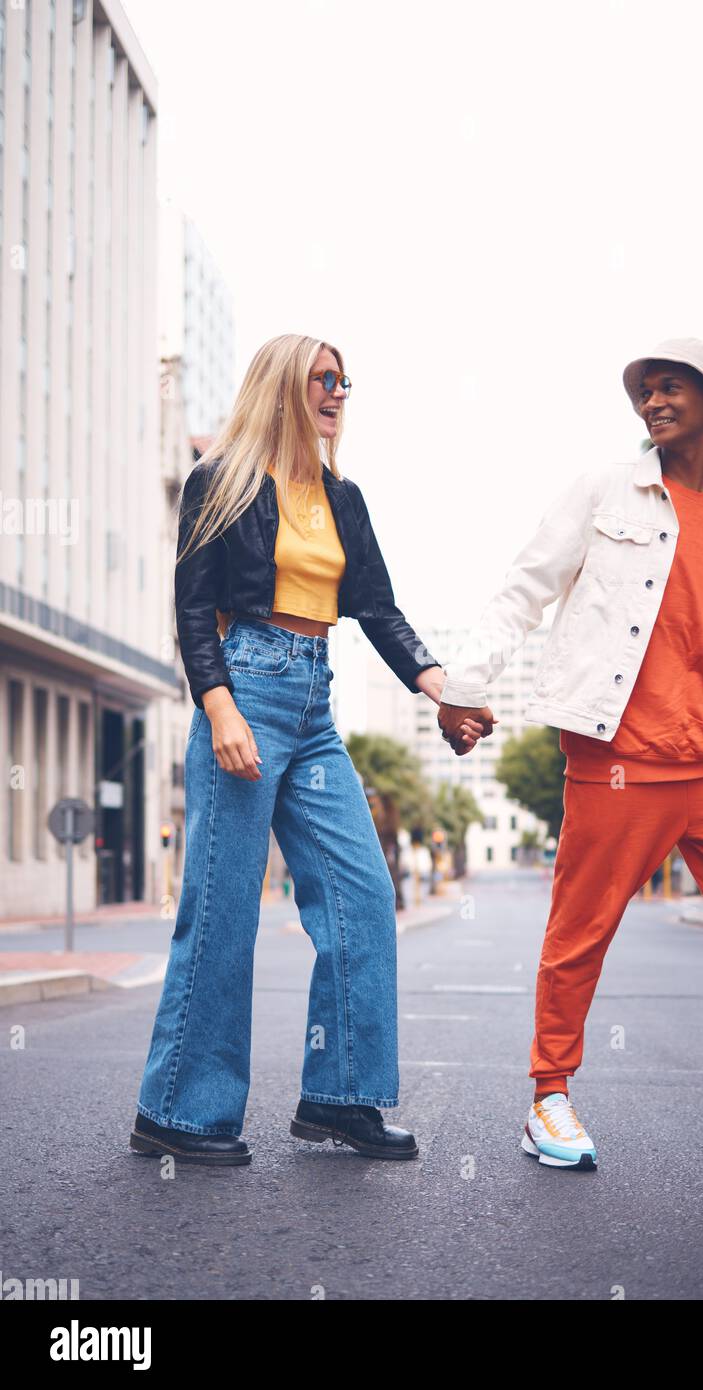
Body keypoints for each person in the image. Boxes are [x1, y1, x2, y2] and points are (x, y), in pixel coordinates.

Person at [438, 337, 703, 1169]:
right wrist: (464, 681)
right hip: (618, 755)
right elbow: (524, 586)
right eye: (646, 391)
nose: (653, 402)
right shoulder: (606, 489)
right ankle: (549, 1100)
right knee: (580, 931)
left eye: (672, 388)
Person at [131, 333, 488, 1166]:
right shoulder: (218, 482)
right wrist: (219, 708)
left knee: (362, 894)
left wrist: (442, 689)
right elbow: (193, 608)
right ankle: (179, 1110)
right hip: (245, 687)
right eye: (321, 380)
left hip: (314, 704)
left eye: (343, 381)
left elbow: (377, 608)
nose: (336, 393)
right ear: (283, 388)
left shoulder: (341, 496)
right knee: (222, 911)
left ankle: (340, 1095)